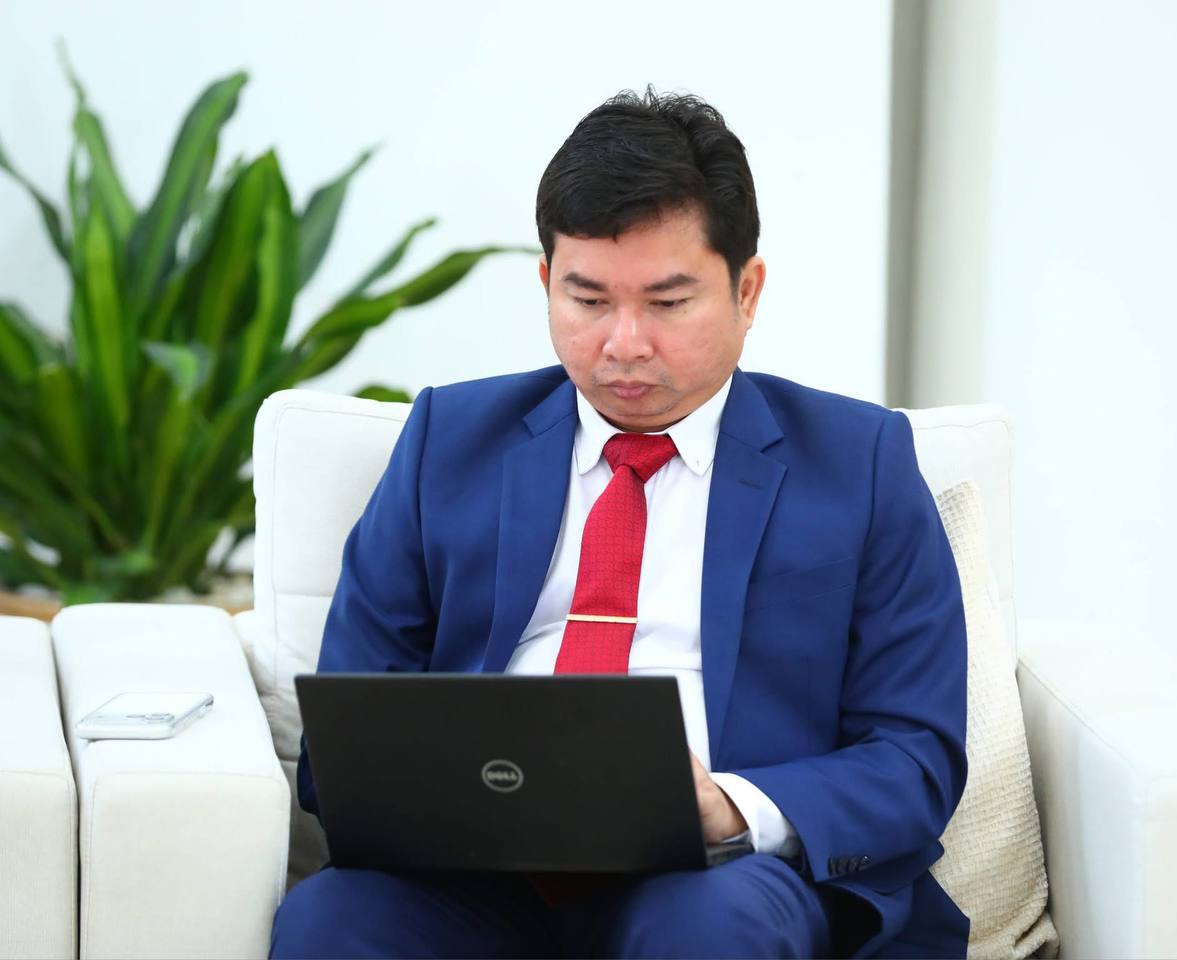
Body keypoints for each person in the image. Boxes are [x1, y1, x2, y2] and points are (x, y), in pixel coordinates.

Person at [270, 86, 968, 959]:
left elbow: (914, 755)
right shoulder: (447, 443)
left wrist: (729, 807)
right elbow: (344, 737)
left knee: (707, 929)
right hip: (473, 877)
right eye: (589, 300)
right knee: (330, 919)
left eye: (668, 303)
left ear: (747, 291)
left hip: (719, 878)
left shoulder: (859, 464)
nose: (624, 343)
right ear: (547, 284)